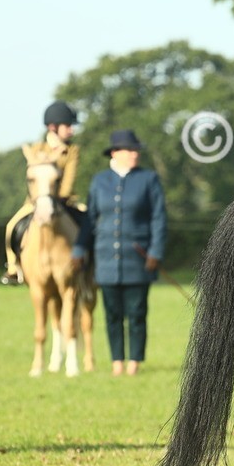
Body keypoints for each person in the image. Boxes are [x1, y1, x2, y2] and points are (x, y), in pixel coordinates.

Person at [72, 130, 167, 376]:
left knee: (136, 314)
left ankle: (134, 362)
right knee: (112, 314)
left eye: (136, 150)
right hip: (105, 259)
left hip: (139, 258)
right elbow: (90, 219)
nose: (135, 154)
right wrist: (80, 248)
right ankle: (117, 362)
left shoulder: (149, 179)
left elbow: (159, 218)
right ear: (115, 153)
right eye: (130, 150)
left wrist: (156, 251)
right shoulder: (99, 181)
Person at [2, 101, 81, 285]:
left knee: (90, 224)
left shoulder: (72, 151)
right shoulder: (37, 149)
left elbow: (70, 177)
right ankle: (13, 268)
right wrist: (40, 199)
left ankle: (91, 264)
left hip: (65, 201)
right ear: (53, 127)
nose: (72, 131)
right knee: (11, 226)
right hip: (36, 202)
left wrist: (61, 196)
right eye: (68, 126)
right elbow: (32, 177)